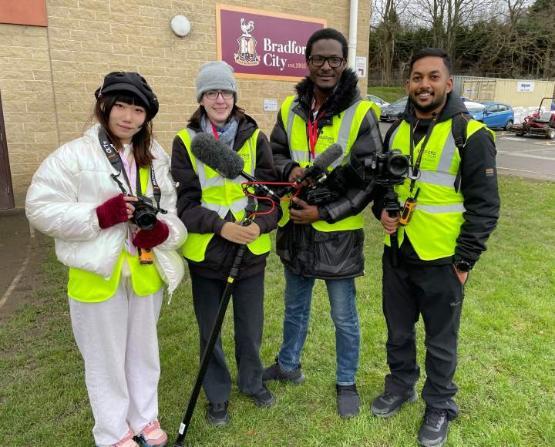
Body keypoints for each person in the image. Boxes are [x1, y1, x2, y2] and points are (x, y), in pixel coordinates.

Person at [25, 72, 187, 447]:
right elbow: (39, 208)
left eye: (137, 109)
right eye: (120, 106)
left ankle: (145, 419)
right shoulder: (73, 155)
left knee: (144, 353)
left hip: (145, 271)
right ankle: (114, 433)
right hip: (96, 276)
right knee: (104, 360)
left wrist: (162, 231)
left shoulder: (155, 157)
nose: (128, 117)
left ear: (147, 116)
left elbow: (172, 213)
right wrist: (99, 216)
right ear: (104, 106)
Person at [370, 48, 500, 447]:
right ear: (408, 84)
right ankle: (401, 385)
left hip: (443, 260)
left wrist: (464, 261)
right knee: (397, 332)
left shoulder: (472, 136)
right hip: (398, 254)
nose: (423, 85)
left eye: (432, 77)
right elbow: (383, 188)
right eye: (416, 77)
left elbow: (485, 207)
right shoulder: (394, 130)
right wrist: (382, 213)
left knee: (441, 341)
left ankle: (440, 404)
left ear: (448, 83)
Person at [262, 28, 383, 418]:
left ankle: (346, 381)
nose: (326, 66)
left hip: (337, 234)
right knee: (295, 307)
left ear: (344, 62)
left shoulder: (362, 113)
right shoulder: (290, 108)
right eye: (318, 59)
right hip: (296, 226)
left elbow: (369, 183)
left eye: (334, 59)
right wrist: (292, 168)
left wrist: (325, 212)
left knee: (343, 317)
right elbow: (274, 154)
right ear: (307, 61)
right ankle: (287, 365)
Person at [171, 61, 279, 426]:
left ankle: (252, 381)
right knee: (210, 329)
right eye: (212, 93)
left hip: (250, 253)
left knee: (250, 327)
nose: (220, 99)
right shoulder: (185, 142)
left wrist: (261, 226)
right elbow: (183, 204)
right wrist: (220, 227)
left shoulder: (256, 137)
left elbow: (271, 199)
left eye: (226, 92)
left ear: (234, 96)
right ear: (201, 99)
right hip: (208, 252)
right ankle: (217, 394)